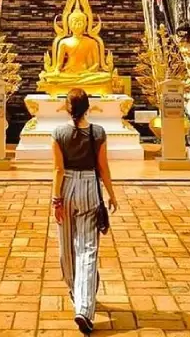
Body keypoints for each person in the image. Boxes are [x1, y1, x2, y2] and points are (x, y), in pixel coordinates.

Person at [52, 88, 118, 335]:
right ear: (88, 107)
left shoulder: (58, 133)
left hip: (67, 187)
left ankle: (76, 290)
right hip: (90, 186)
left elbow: (58, 170)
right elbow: (103, 167)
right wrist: (111, 193)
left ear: (67, 108)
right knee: (88, 249)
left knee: (67, 246)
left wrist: (56, 200)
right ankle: (83, 306)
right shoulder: (98, 132)